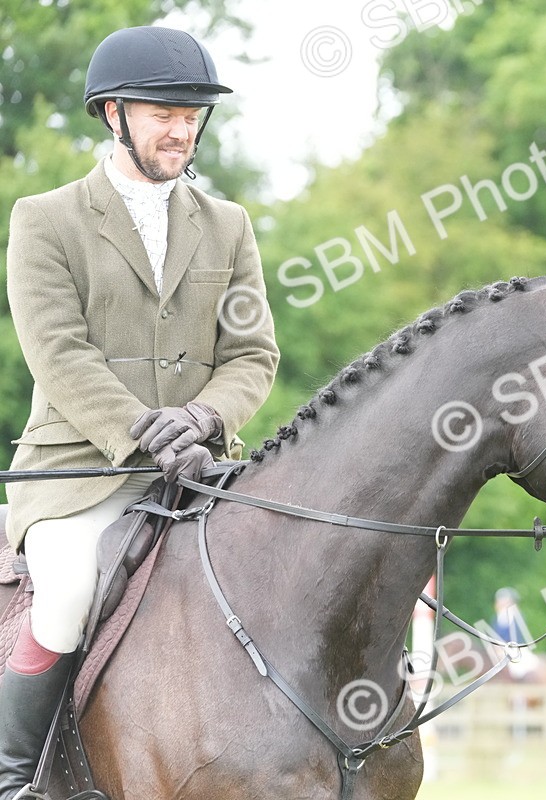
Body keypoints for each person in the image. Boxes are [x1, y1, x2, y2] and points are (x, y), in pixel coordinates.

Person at [0, 26, 279, 797]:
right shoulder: (45, 219)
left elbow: (254, 353)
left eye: (192, 114)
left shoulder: (229, 225)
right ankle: (13, 776)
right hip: (81, 474)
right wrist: (142, 431)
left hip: (200, 466)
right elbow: (58, 354)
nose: (181, 128)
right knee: (65, 594)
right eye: (164, 111)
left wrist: (204, 418)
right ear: (113, 113)